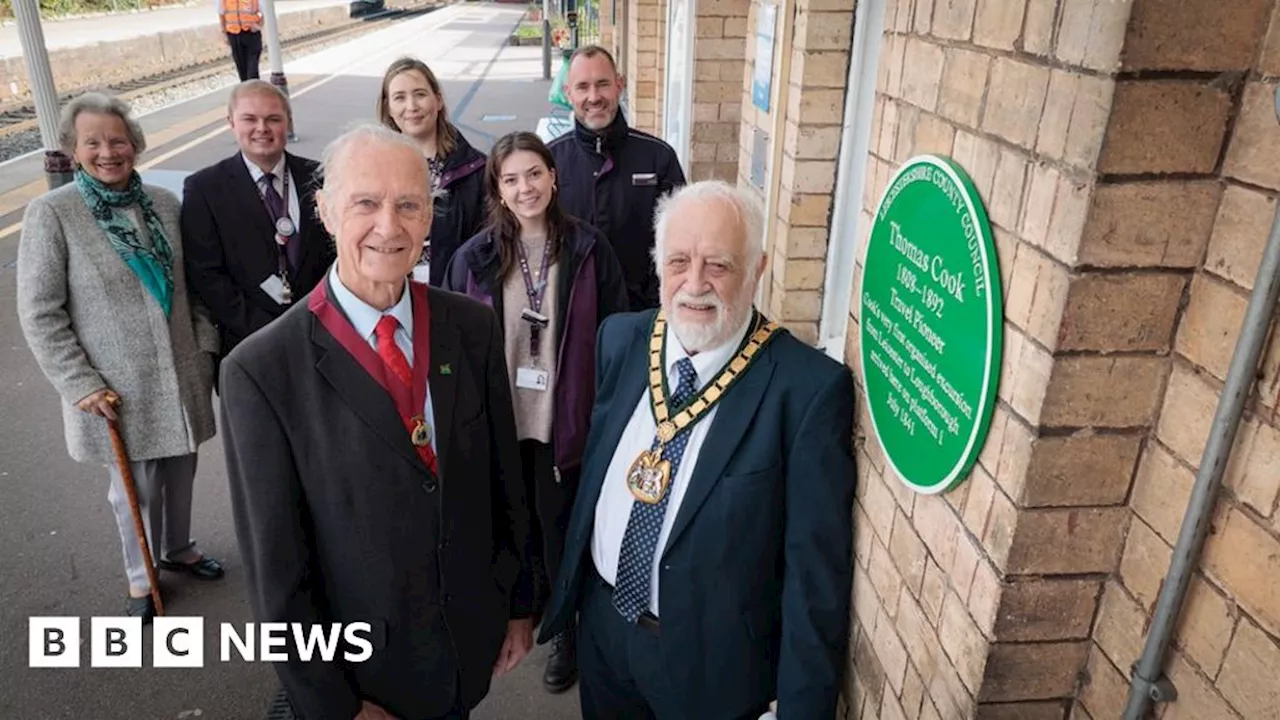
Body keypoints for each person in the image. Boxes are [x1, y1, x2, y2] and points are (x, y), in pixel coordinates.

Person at [220, 124, 534, 720]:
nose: (389, 227)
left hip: (463, 652)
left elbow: (502, 479)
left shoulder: (471, 327)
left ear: (429, 217)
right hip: (362, 683)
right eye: (366, 202)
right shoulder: (260, 372)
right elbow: (277, 576)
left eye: (409, 205)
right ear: (326, 211)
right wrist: (337, 706)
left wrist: (518, 603)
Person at [538, 181, 856, 719]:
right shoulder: (621, 339)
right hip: (604, 631)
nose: (695, 284)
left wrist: (801, 708)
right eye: (678, 261)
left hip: (713, 666)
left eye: (720, 266)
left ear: (757, 269)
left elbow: (814, 575)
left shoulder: (806, 390)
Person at [16, 93, 224, 623]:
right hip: (114, 385)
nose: (108, 151)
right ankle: (141, 576)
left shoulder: (164, 203)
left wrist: (203, 347)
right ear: (73, 149)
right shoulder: (52, 214)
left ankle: (177, 549)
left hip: (179, 370)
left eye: (118, 140)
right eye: (93, 142)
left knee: (180, 471)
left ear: (134, 143)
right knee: (133, 491)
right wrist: (79, 382)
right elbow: (41, 312)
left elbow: (193, 287)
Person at [443, 131, 628, 695]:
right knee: (508, 526)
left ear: (553, 176)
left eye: (534, 174)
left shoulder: (590, 250)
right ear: (497, 189)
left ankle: (564, 628)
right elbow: (450, 345)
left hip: (563, 421)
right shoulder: (473, 259)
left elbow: (616, 334)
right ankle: (510, 617)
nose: (525, 188)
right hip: (498, 420)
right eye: (511, 179)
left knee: (560, 529)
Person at [183, 80, 333, 370]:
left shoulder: (321, 176)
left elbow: (336, 253)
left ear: (287, 122)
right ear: (231, 123)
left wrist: (318, 319)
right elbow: (207, 275)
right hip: (247, 346)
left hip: (320, 335)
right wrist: (270, 331)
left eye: (273, 119)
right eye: (249, 119)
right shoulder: (205, 189)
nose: (262, 128)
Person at [549, 45, 686, 311]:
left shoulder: (658, 157)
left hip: (642, 313)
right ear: (568, 93)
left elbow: (683, 239)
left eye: (602, 84)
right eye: (582, 87)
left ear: (619, 85)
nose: (594, 97)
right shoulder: (550, 161)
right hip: (572, 313)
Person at [377, 57, 487, 286]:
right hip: (394, 297)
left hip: (453, 299)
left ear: (437, 100)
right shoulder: (375, 170)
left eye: (420, 94)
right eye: (400, 97)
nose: (412, 107)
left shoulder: (477, 170)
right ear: (388, 108)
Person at [219, 0, 263, 81]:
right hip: (234, 34)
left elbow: (266, 11)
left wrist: (259, 25)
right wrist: (224, 33)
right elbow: (221, 13)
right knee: (242, 70)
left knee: (252, 72)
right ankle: (246, 90)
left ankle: (253, 90)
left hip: (251, 34)